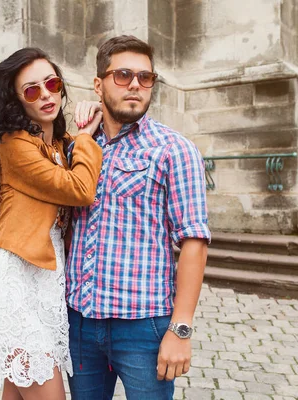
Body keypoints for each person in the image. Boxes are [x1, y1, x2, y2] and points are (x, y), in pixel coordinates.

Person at [67, 35, 211, 399]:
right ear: (98, 84)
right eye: (123, 75)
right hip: (79, 322)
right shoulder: (78, 146)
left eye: (146, 77)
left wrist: (180, 330)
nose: (135, 84)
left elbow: (194, 240)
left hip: (144, 326)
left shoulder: (174, 150)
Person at [0, 48, 103, 400]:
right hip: (17, 282)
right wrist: (87, 138)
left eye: (52, 83)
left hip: (47, 284)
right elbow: (80, 188)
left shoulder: (60, 145)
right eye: (31, 90)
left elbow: (77, 159)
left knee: (16, 394)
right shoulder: (15, 145)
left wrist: (85, 127)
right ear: (17, 101)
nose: (45, 94)